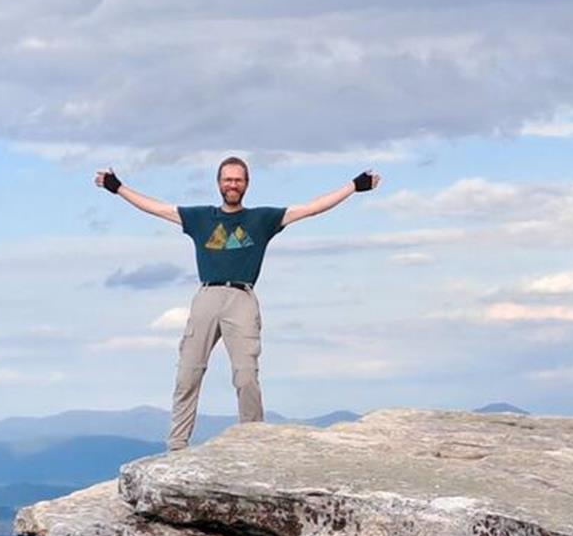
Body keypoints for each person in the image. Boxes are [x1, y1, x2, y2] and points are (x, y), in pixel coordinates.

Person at [94, 156, 379, 451]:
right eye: (228, 179)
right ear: (219, 183)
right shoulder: (201, 218)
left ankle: (253, 442)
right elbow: (157, 208)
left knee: (246, 376)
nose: (233, 184)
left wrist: (354, 187)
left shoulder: (261, 220)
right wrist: (118, 188)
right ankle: (177, 447)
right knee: (188, 373)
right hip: (206, 296)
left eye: (238, 180)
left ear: (247, 184)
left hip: (242, 298)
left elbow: (310, 208)